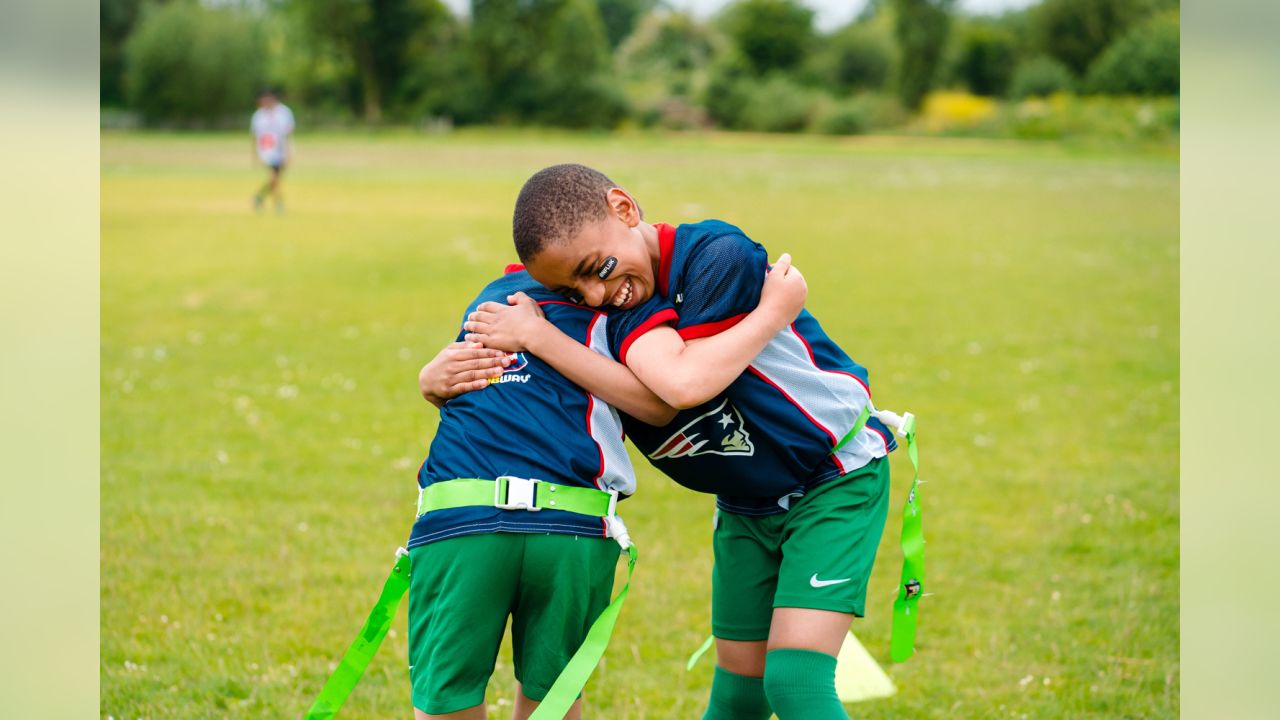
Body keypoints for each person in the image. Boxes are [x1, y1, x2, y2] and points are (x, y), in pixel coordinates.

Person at [453, 164, 899, 720]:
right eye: (571, 289)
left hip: (832, 477)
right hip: (745, 502)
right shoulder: (602, 308)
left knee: (794, 681)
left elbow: (684, 385)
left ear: (624, 208)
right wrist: (434, 378)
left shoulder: (716, 257)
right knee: (739, 688)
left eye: (598, 269)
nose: (595, 296)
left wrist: (773, 312)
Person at [407, 260, 806, 720]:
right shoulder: (627, 306)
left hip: (461, 516)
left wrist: (432, 383)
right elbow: (662, 401)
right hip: (572, 523)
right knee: (554, 697)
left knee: (448, 699)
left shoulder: (492, 299)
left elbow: (464, 381)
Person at [250, 89, 294, 212]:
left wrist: (288, 152)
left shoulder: (284, 113)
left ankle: (259, 197)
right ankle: (278, 202)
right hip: (267, 150)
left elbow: (287, 133)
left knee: (276, 177)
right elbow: (255, 135)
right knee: (274, 175)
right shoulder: (258, 116)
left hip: (281, 148)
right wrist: (255, 154)